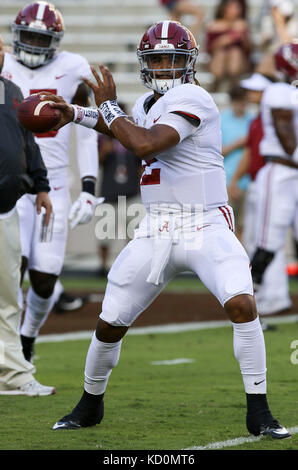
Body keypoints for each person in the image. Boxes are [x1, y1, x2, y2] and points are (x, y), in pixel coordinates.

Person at [43, 20, 290, 439]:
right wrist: (78, 114)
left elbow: (145, 143)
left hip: (204, 222)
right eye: (155, 58)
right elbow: (125, 126)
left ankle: (260, 412)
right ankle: (89, 403)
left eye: (170, 58)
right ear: (144, 63)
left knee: (242, 305)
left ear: (189, 63)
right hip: (157, 228)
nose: (162, 66)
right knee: (110, 322)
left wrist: (105, 107)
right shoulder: (146, 103)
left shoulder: (194, 97)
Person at [1, 2, 99, 364]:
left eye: (39, 37)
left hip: (53, 188)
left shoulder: (72, 68)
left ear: (54, 40)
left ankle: (27, 339)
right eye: (27, 35)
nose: (32, 43)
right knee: (15, 268)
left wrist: (89, 189)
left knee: (44, 280)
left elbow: (88, 130)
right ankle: (11, 346)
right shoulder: (5, 66)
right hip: (13, 186)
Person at [0, 36, 55, 396]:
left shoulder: (12, 90)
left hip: (5, 208)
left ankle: (13, 376)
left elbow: (28, 140)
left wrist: (41, 185)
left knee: (7, 298)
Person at [228, 72, 292, 323]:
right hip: (260, 181)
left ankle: (272, 297)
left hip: (276, 179)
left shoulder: (273, 115)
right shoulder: (259, 120)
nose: (251, 94)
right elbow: (248, 152)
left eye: (256, 90)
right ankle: (267, 296)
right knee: (260, 240)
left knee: (267, 240)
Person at [250, 42, 298, 310]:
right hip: (280, 172)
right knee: (268, 241)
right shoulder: (278, 92)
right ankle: (246, 299)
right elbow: (286, 135)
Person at [97, 104, 142, 276]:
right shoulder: (104, 138)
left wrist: (140, 187)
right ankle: (102, 266)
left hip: (130, 192)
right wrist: (105, 152)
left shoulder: (133, 137)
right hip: (109, 193)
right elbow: (97, 163)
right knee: (104, 234)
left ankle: (130, 266)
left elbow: (140, 164)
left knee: (133, 234)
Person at [221, 85, 253, 241]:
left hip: (248, 182)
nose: (242, 105)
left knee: (244, 229)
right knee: (227, 229)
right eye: (239, 101)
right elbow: (217, 152)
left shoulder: (251, 120)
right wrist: (238, 143)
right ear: (232, 101)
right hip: (227, 181)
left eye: (244, 101)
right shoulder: (222, 120)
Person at [206, 0, 252, 91]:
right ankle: (219, 82)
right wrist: (221, 42)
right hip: (218, 60)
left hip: (238, 62)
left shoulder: (242, 25)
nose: (234, 10)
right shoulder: (214, 25)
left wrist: (243, 37)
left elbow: (249, 50)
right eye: (230, 7)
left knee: (235, 52)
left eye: (236, 7)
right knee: (221, 54)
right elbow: (209, 50)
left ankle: (231, 84)